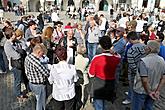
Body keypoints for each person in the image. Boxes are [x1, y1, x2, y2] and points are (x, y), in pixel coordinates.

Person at [88, 36, 121, 110]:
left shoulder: (96, 58)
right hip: (111, 83)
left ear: (100, 45)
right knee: (105, 103)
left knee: (99, 105)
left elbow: (91, 74)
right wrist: (114, 52)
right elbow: (119, 56)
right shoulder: (116, 58)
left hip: (99, 84)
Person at [132, 40, 165, 110]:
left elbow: (144, 80)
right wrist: (158, 91)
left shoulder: (143, 61)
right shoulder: (162, 60)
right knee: (148, 107)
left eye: (146, 47)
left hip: (141, 90)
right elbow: (163, 78)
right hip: (154, 89)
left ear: (149, 49)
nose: (145, 48)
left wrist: (149, 92)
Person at [48, 46, 79, 110]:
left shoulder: (54, 68)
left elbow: (50, 81)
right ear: (67, 56)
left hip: (58, 94)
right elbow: (75, 80)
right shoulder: (72, 67)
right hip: (69, 94)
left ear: (57, 57)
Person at [4, 29, 28, 101]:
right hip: (15, 65)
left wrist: (21, 51)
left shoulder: (15, 41)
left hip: (21, 63)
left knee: (24, 76)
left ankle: (28, 88)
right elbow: (17, 56)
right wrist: (21, 51)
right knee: (17, 80)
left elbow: (24, 46)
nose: (16, 35)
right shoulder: (7, 45)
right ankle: (18, 94)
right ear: (10, 36)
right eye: (14, 34)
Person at [24, 43, 49, 110]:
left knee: (38, 99)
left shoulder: (28, 57)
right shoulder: (37, 63)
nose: (43, 55)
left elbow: (26, 70)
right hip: (39, 85)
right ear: (38, 52)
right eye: (42, 53)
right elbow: (47, 73)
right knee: (40, 102)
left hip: (31, 82)